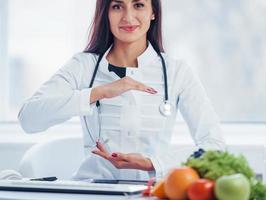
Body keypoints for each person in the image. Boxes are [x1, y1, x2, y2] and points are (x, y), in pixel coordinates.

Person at [18, 0, 225, 181]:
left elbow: (215, 146)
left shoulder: (177, 72)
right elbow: (29, 118)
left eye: (138, 5)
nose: (128, 16)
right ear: (105, 13)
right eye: (117, 6)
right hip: (93, 191)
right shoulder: (83, 65)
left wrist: (153, 163)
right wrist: (98, 93)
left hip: (151, 191)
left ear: (153, 12)